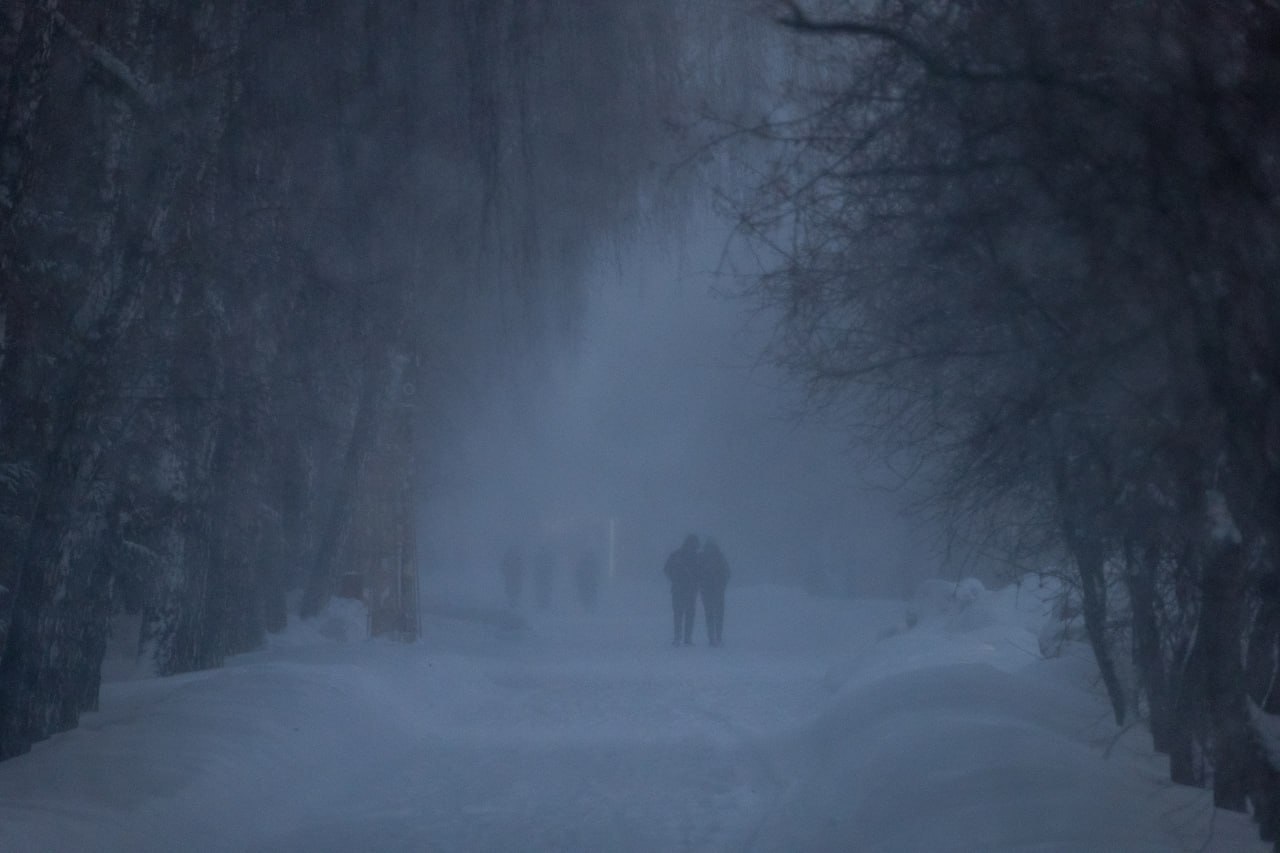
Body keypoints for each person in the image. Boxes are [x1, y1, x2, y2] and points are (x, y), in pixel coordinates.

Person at [663, 534, 700, 646]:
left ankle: (678, 637)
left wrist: (675, 578)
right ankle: (687, 638)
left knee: (678, 614)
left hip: (678, 588)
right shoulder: (696, 557)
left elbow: (666, 569)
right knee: (689, 614)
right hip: (690, 589)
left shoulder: (676, 555)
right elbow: (702, 572)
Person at [699, 538, 730, 647]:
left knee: (713, 614)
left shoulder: (703, 558)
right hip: (713, 590)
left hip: (711, 590)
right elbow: (727, 573)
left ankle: (714, 637)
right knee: (716, 614)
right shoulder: (719, 557)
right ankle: (715, 637)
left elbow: (726, 573)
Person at [500, 545, 524, 609]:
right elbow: (504, 565)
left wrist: (520, 574)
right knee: (511, 589)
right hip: (511, 576)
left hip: (515, 576)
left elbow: (521, 567)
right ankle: (512, 602)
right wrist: (506, 573)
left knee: (514, 589)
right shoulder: (510, 557)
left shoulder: (517, 558)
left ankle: (514, 602)